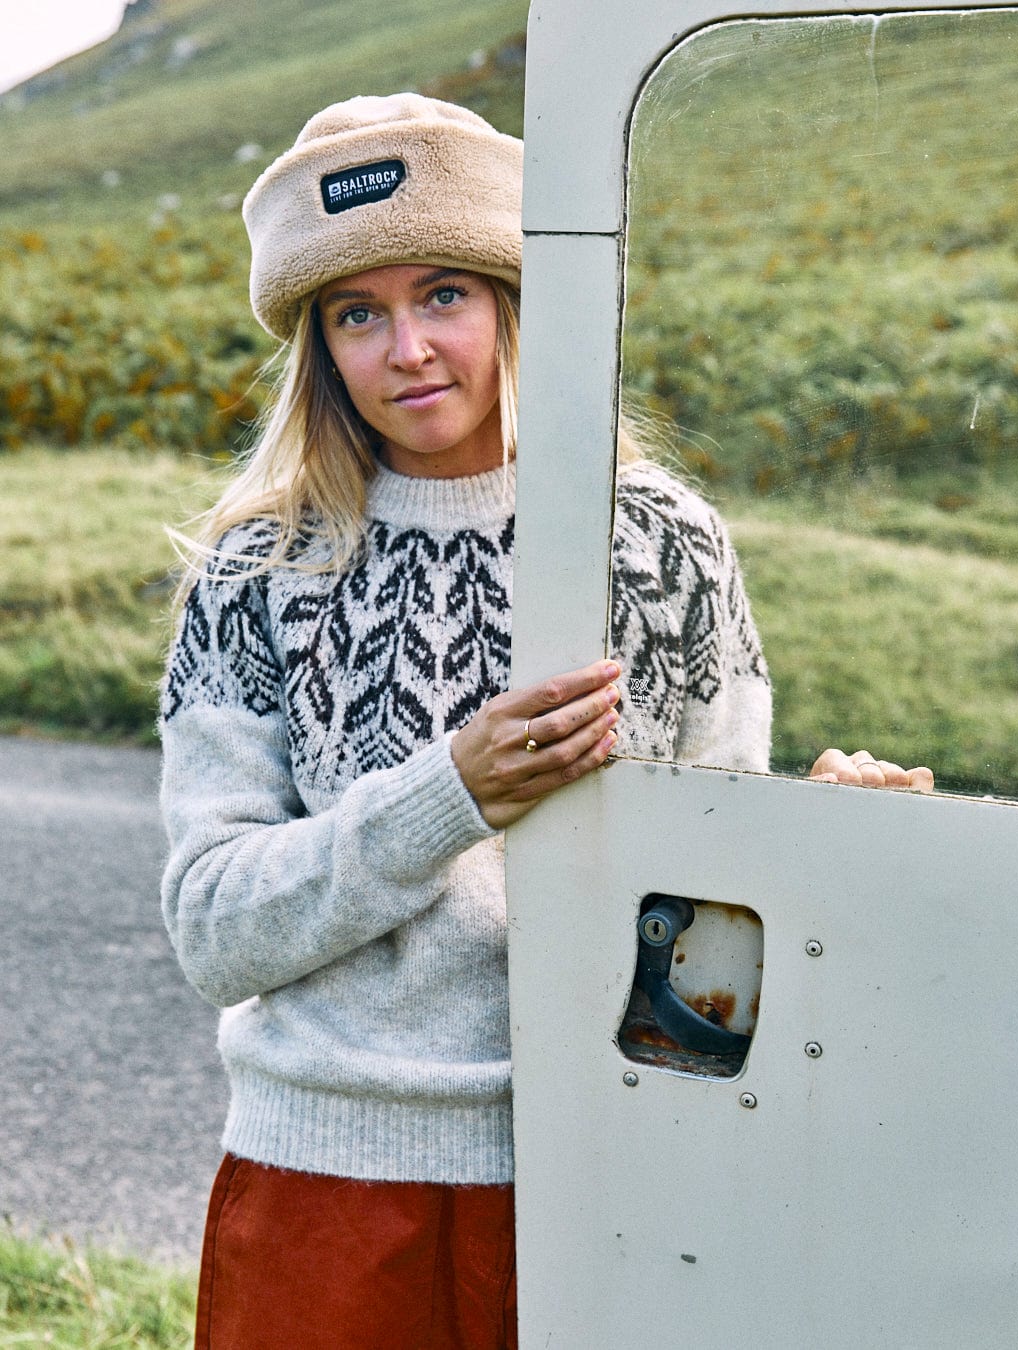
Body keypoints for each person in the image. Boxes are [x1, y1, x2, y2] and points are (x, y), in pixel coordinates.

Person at [159, 92, 932, 1350]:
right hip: (327, 1196)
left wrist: (815, 844)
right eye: (358, 312)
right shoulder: (258, 572)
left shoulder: (660, 543)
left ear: (517, 299)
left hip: (608, 1176)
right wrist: (446, 795)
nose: (407, 348)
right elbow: (212, 929)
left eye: (445, 295)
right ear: (318, 346)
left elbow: (713, 921)